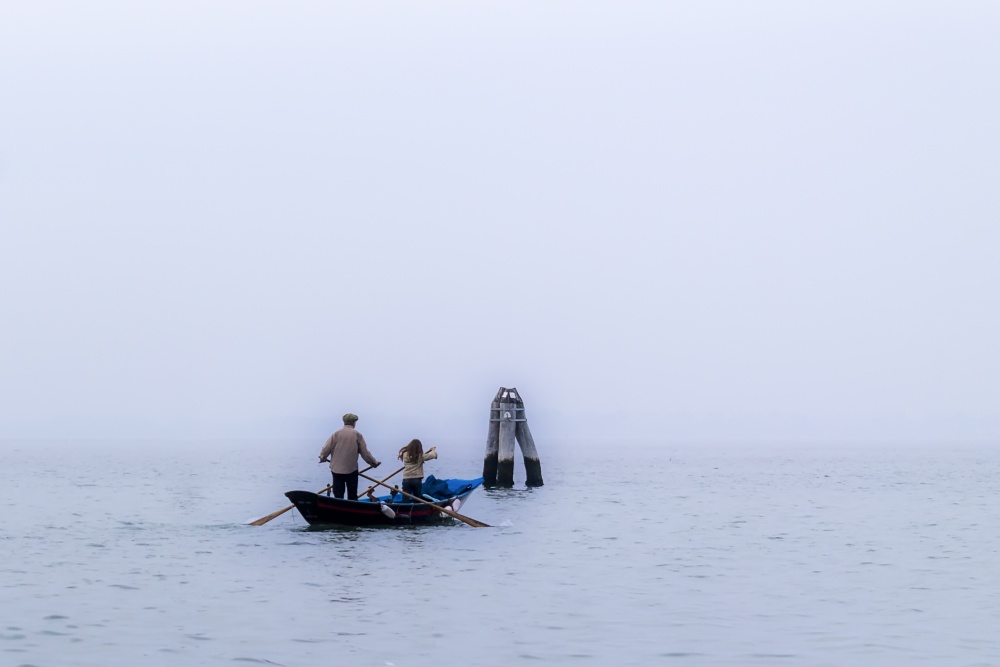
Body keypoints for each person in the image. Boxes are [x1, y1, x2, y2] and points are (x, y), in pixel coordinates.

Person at [318, 413, 380, 500]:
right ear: (354, 423)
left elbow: (326, 449)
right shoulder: (357, 435)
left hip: (336, 470)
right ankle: (352, 509)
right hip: (351, 470)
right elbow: (365, 453)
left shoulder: (336, 434)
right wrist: (374, 462)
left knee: (338, 496)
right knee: (352, 495)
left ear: (344, 422)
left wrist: (323, 457)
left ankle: (338, 509)